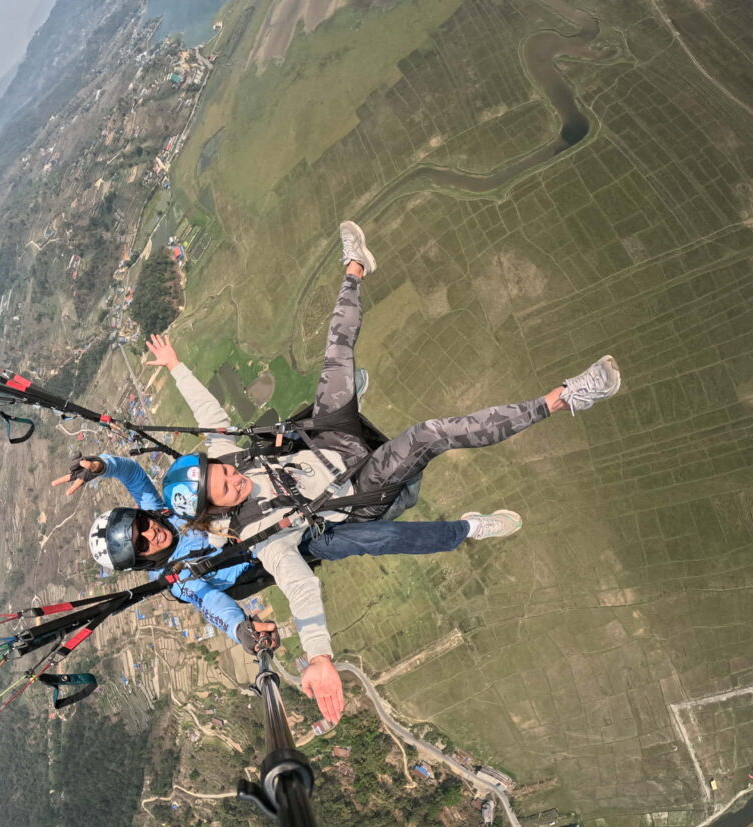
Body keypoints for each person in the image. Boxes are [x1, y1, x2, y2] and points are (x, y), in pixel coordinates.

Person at [150, 221, 622, 724]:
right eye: (224, 491)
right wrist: (320, 658)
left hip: (330, 439)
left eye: (221, 473)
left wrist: (177, 366)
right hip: (358, 489)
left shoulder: (227, 457)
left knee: (336, 357)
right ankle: (564, 400)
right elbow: (300, 589)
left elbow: (209, 417)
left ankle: (356, 267)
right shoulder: (260, 537)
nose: (233, 481)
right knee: (428, 434)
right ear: (214, 512)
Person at [54, 452, 521, 657]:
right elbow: (216, 609)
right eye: (140, 544)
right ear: (140, 561)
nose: (149, 533)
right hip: (283, 547)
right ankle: (465, 530)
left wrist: (100, 466)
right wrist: (243, 632)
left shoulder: (165, 512)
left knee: (270, 443)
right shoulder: (185, 578)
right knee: (370, 538)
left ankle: (336, 418)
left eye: (139, 524)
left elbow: (133, 472)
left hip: (260, 509)